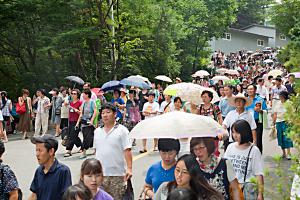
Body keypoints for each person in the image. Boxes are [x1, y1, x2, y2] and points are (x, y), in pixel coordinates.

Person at [93, 103, 132, 199]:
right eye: (102, 113)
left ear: (115, 114)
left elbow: (127, 150)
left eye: (108, 112)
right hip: (100, 174)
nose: (105, 115)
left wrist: (129, 168)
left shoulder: (122, 130)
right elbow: (96, 151)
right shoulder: (97, 131)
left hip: (117, 174)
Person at [224, 120, 264, 200]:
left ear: (244, 133)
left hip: (247, 190)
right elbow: (225, 167)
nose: (234, 135)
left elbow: (258, 174)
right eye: (233, 132)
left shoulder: (254, 150)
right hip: (232, 187)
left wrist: (260, 194)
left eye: (237, 133)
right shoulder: (230, 147)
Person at [154, 154, 223, 200]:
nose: (179, 175)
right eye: (177, 170)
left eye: (184, 172)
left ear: (193, 174)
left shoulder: (205, 195)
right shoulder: (165, 187)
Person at [29, 134, 72, 200]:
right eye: (36, 150)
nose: (37, 154)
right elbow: (34, 194)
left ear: (51, 151)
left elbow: (67, 197)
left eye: (40, 150)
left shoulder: (63, 171)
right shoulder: (39, 171)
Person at [246, 85, 267, 153]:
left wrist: (260, 111)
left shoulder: (260, 99)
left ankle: (258, 155)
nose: (249, 91)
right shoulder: (245, 100)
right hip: (248, 122)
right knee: (248, 139)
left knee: (258, 140)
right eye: (248, 89)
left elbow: (266, 111)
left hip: (258, 121)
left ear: (255, 90)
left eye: (251, 89)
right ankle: (250, 154)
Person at [76, 88, 97, 159]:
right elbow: (81, 113)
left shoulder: (92, 102)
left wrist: (92, 120)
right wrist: (77, 123)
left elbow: (95, 111)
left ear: (87, 95)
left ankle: (84, 151)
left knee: (88, 138)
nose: (82, 95)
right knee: (85, 137)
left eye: (84, 94)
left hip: (90, 123)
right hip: (84, 123)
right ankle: (85, 151)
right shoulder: (84, 103)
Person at [273, 91, 293, 160]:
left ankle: (289, 153)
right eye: (279, 96)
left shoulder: (289, 103)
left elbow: (292, 113)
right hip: (279, 122)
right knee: (280, 137)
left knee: (287, 138)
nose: (280, 97)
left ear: (285, 96)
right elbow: (275, 114)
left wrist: (290, 121)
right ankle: (284, 153)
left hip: (286, 122)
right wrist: (273, 122)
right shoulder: (277, 103)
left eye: (281, 96)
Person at [64, 89, 83, 157]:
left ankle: (69, 150)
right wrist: (67, 105)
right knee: (73, 135)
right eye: (72, 93)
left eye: (75, 94)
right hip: (70, 121)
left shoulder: (80, 102)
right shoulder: (71, 103)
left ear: (78, 95)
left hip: (77, 121)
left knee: (72, 136)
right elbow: (67, 107)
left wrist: (78, 123)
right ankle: (82, 146)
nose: (73, 95)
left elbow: (81, 113)